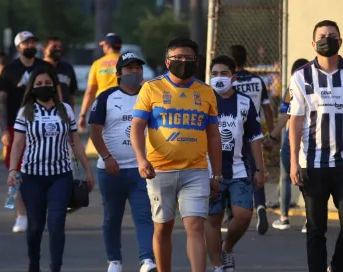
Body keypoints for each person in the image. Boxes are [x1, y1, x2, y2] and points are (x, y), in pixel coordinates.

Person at [288, 20, 343, 272]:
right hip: (312, 165)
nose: (328, 39)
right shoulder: (300, 76)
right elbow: (295, 121)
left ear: (341, 40)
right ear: (313, 43)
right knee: (316, 228)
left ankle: (336, 267)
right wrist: (294, 161)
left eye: (332, 35)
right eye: (322, 36)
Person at [130, 37, 223, 272]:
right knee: (163, 227)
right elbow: (137, 127)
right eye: (177, 58)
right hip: (159, 170)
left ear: (197, 61)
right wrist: (141, 160)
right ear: (167, 61)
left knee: (195, 227)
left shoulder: (206, 92)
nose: (183, 61)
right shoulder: (151, 88)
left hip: (196, 170)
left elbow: (213, 136)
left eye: (188, 58)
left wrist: (217, 175)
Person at [6, 66, 94, 272]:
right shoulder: (25, 111)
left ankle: (56, 267)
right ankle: (34, 264)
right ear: (32, 88)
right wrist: (12, 170)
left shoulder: (65, 109)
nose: (43, 87)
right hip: (32, 177)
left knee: (56, 224)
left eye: (47, 83)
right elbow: (18, 143)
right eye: (39, 84)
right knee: (35, 227)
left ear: (54, 85)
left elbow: (75, 141)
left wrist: (87, 169)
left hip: (60, 177)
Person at [88, 52, 157, 272]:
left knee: (144, 216)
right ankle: (114, 261)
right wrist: (107, 157)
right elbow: (94, 132)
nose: (135, 73)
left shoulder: (150, 96)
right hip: (111, 170)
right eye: (129, 69)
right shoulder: (106, 97)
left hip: (140, 169)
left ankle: (147, 260)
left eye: (138, 68)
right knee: (112, 217)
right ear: (119, 74)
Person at [205, 55, 265, 272]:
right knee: (213, 218)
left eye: (223, 74)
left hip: (239, 169)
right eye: (214, 74)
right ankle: (217, 265)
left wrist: (259, 168)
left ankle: (226, 247)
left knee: (243, 215)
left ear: (233, 77)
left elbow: (255, 137)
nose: (218, 78)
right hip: (210, 172)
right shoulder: (204, 101)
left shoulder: (244, 102)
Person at [0, 31, 55, 233]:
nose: (31, 45)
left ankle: (38, 211)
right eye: (26, 42)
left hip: (42, 123)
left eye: (33, 42)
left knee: (44, 168)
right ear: (18, 46)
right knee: (14, 171)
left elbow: (57, 94)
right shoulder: (8, 70)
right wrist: (4, 130)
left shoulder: (44, 67)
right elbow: (1, 101)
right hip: (15, 126)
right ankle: (19, 214)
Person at [227, 45, 274, 235]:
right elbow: (268, 109)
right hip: (253, 131)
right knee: (257, 171)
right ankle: (261, 206)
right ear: (247, 60)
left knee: (231, 170)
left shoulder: (230, 82)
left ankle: (231, 213)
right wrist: (272, 134)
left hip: (233, 131)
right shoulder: (257, 80)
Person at [264, 58, 309, 232]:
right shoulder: (318, 87)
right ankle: (309, 220)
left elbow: (285, 115)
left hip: (293, 140)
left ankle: (284, 218)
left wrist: (273, 136)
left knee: (286, 178)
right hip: (311, 141)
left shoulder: (292, 88)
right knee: (308, 181)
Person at [78, 33, 122, 133]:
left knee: (100, 138)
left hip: (102, 105)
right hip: (123, 105)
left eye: (104, 46)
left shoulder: (97, 64)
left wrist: (83, 114)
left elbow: (90, 91)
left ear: (108, 46)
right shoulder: (126, 62)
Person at [43, 36, 78, 109]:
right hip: (43, 113)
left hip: (63, 112)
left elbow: (72, 93)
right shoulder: (38, 67)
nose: (58, 49)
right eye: (54, 47)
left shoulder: (67, 68)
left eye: (60, 47)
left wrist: (71, 113)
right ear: (44, 50)